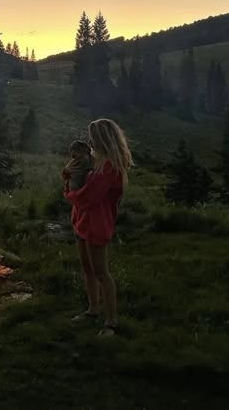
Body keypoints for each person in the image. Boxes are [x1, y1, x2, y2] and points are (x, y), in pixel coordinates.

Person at [63, 118, 132, 337]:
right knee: (87, 269)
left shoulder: (110, 167)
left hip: (96, 224)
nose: (90, 142)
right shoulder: (94, 160)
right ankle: (93, 309)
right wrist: (67, 174)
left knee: (101, 272)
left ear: (103, 139)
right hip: (82, 221)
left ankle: (111, 321)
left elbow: (88, 196)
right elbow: (73, 175)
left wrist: (68, 194)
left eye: (93, 138)